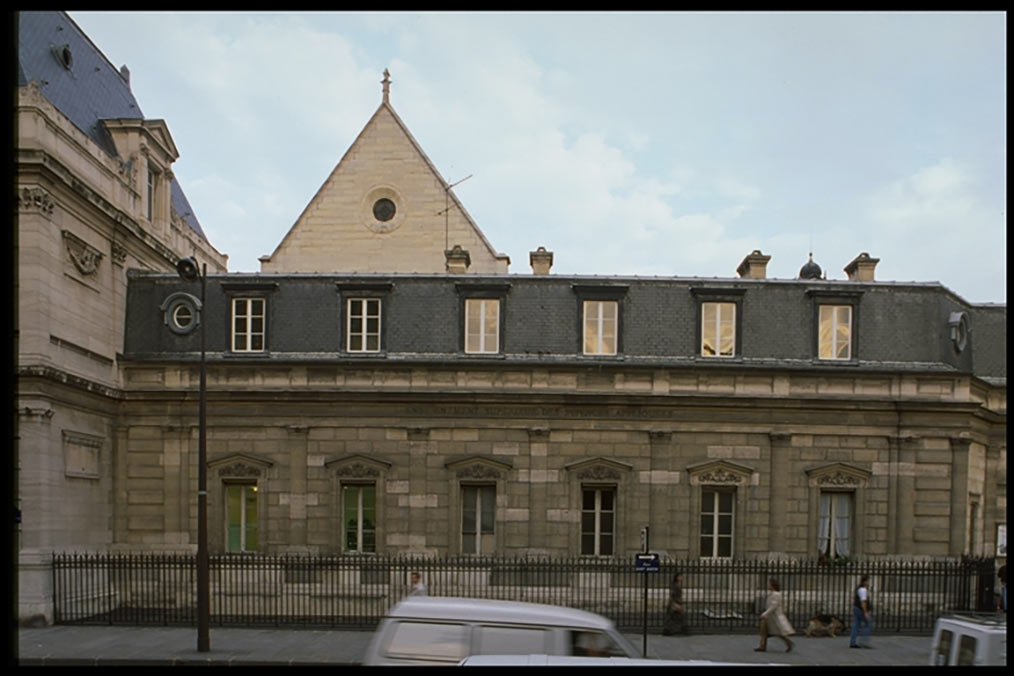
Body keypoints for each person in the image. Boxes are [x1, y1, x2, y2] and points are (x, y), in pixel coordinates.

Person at [755, 577, 794, 653]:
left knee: (779, 632)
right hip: (769, 616)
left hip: (773, 616)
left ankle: (788, 642)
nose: (768, 586)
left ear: (772, 585)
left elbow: (773, 606)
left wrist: (765, 613)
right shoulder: (772, 594)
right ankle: (762, 646)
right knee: (764, 632)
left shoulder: (776, 594)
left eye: (769, 584)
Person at [850, 574, 873, 648]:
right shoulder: (863, 590)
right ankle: (864, 642)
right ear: (865, 581)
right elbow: (863, 602)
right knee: (868, 623)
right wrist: (866, 612)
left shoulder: (859, 588)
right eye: (869, 581)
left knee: (856, 625)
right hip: (860, 609)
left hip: (856, 608)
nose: (869, 582)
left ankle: (852, 642)